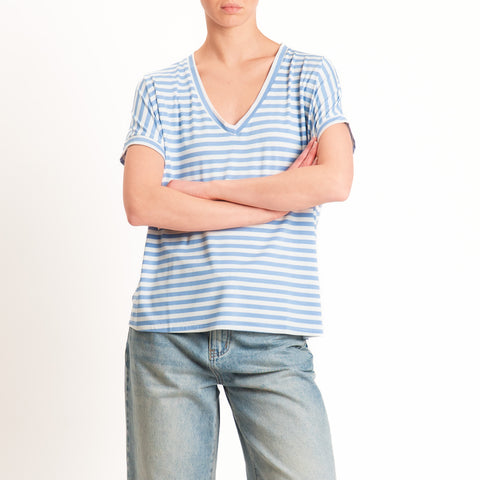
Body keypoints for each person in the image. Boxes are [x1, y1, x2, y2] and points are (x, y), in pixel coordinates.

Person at [119, 1, 355, 479]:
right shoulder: (159, 89)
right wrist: (272, 204)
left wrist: (209, 190)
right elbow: (141, 202)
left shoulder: (309, 76)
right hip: (168, 338)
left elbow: (335, 180)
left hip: (274, 337)